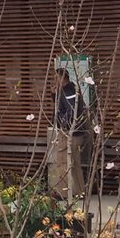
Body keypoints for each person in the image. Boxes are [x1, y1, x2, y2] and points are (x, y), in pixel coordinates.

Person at [48, 67, 85, 200]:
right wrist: (54, 95)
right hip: (77, 132)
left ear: (62, 78)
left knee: (62, 162)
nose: (54, 81)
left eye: (56, 78)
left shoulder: (67, 91)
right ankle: (81, 191)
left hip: (69, 133)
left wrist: (63, 126)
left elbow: (70, 110)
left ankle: (62, 193)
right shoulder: (73, 89)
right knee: (75, 164)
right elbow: (63, 106)